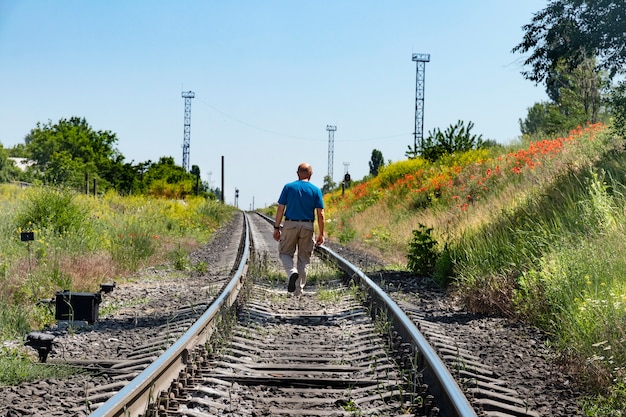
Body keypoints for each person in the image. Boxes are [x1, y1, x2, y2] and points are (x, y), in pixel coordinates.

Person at [273, 162, 325, 296]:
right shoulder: (315, 190)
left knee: (285, 253)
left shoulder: (288, 187)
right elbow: (321, 214)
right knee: (303, 258)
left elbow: (280, 209)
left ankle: (292, 272)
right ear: (311, 174)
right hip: (307, 226)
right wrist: (321, 234)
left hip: (290, 224)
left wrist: (277, 227)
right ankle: (298, 291)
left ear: (297, 173)